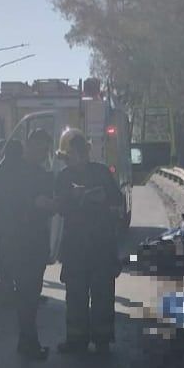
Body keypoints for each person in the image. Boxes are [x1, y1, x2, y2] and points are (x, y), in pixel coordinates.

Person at [54, 130, 124, 355]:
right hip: (75, 247)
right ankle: (77, 339)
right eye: (73, 154)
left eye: (81, 152)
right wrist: (73, 198)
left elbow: (118, 202)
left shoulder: (102, 173)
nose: (78, 157)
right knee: (75, 295)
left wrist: (104, 201)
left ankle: (102, 339)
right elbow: (60, 207)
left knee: (103, 294)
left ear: (86, 152)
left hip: (101, 245)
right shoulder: (64, 178)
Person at [0, 130, 55, 360]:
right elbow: (5, 202)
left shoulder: (33, 172)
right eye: (41, 149)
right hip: (22, 242)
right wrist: (34, 203)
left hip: (32, 241)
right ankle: (29, 342)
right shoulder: (13, 172)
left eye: (46, 150)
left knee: (30, 294)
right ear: (29, 146)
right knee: (27, 294)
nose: (43, 154)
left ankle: (27, 341)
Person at [0, 139, 24, 301]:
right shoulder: (16, 170)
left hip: (5, 223)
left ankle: (8, 289)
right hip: (14, 222)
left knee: (7, 259)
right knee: (13, 259)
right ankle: (11, 291)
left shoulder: (1, 170)